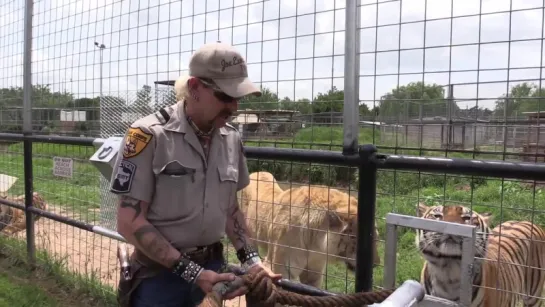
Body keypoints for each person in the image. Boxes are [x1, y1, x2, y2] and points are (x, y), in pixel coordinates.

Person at [110, 41, 282, 307]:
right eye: (225, 96)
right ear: (194, 88)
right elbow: (129, 221)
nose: (234, 107)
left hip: (212, 271)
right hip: (160, 277)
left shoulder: (231, 139)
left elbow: (231, 210)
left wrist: (254, 264)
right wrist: (193, 273)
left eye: (238, 97)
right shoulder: (147, 136)